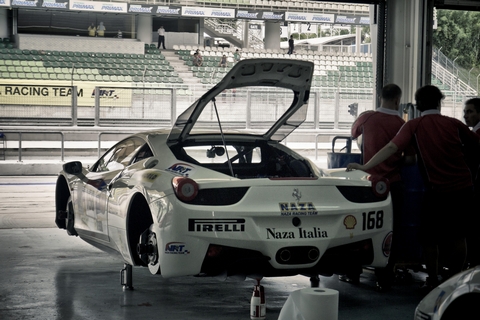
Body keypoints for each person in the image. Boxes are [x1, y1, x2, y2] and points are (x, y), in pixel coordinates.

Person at [346, 85, 480, 292]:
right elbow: (476, 143)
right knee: (458, 236)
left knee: (428, 237)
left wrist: (365, 166)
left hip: (435, 191)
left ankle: (433, 280)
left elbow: (392, 148)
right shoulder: (454, 124)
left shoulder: (413, 125)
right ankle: (456, 282)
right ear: (439, 102)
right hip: (463, 188)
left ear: (417, 105)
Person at [350, 84, 415, 291]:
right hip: (393, 185)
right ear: (397, 100)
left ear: (380, 97)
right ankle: (385, 276)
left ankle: (353, 273)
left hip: (367, 185)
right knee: (391, 232)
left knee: (358, 229)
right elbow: (411, 158)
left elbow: (354, 134)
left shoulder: (366, 118)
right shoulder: (402, 124)